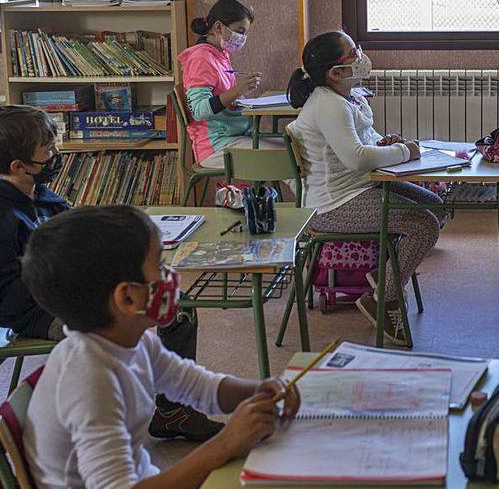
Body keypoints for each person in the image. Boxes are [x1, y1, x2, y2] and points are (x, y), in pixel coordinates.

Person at [0, 103, 222, 440]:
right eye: (48, 150)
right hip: (39, 312)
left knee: (179, 307)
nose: (56, 154)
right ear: (19, 166)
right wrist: (78, 299)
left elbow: (78, 239)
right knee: (124, 326)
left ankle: (172, 410)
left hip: (72, 293)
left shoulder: (41, 195)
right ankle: (106, 421)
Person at [20, 205, 300, 488]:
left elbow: (198, 386)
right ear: (128, 298)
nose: (169, 275)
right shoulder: (90, 381)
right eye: (159, 265)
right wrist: (225, 445)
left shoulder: (135, 341)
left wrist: (259, 389)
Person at [286, 30, 443, 346]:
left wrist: (385, 144)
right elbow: (357, 158)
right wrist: (405, 152)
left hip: (357, 190)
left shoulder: (343, 98)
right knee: (425, 225)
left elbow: (362, 142)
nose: (360, 56)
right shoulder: (329, 105)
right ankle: (383, 296)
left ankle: (385, 280)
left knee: (434, 206)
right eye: (353, 53)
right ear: (336, 73)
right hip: (332, 206)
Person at [179, 0, 297, 194]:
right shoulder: (200, 58)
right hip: (215, 146)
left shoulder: (218, 54)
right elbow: (199, 111)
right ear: (218, 27)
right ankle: (309, 214)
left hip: (233, 135)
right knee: (289, 160)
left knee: (295, 148)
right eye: (240, 31)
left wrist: (241, 96)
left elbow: (223, 98)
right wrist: (238, 90)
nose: (242, 38)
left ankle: (308, 212)